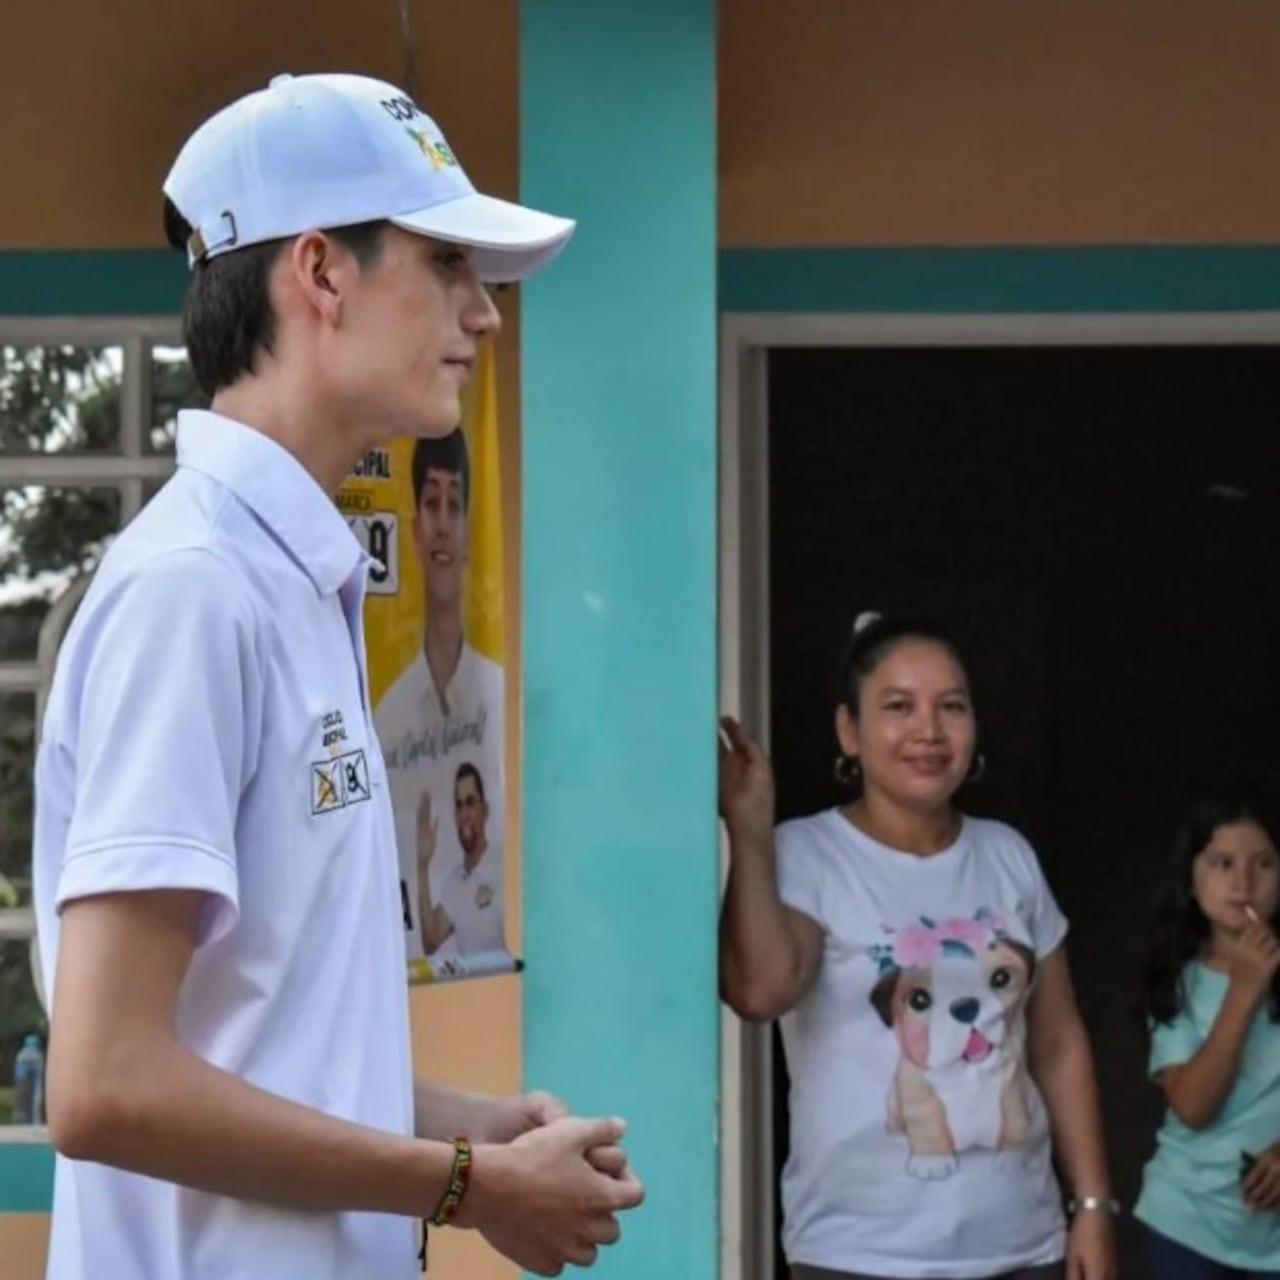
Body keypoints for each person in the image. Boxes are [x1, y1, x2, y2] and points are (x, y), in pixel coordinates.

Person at [32, 71, 642, 1280]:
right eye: (446, 263)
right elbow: (104, 1084)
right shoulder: (197, 589)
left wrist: (462, 1126)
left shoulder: (292, 583)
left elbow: (254, 1035)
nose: (484, 315)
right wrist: (465, 1183)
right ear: (318, 271)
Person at [717, 612, 1116, 1280]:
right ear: (850, 730)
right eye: (898, 707)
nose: (929, 731)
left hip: (1023, 1248)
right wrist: (750, 827)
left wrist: (1095, 1204)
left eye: (951, 707)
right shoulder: (810, 854)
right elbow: (760, 991)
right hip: (860, 1254)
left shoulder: (1008, 856)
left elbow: (1057, 1044)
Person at [1134, 792, 1280, 1279]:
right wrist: (1244, 990)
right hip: (1188, 1221)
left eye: (1264, 864)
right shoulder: (1176, 980)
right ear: (1191, 881)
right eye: (1223, 864)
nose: (1244, 883)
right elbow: (1194, 1107)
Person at [374, 430, 506, 963]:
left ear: (472, 529)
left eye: (455, 505)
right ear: (414, 531)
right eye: (432, 504)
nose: (444, 523)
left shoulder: (501, 695)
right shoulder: (387, 717)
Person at [417, 763, 506, 959]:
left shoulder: (504, 866)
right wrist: (422, 864)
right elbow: (430, 941)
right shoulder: (455, 881)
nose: (464, 814)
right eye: (459, 805)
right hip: (472, 981)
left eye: (470, 802)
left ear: (485, 810)